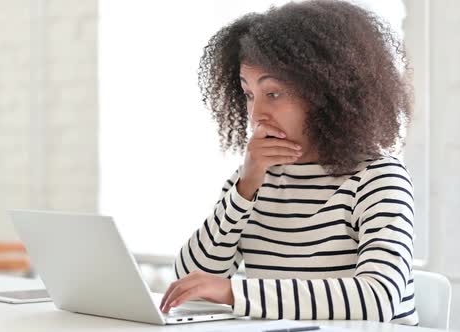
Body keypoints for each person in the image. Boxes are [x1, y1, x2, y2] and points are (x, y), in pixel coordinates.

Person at [159, 0, 417, 325]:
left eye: (273, 94)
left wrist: (234, 293)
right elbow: (192, 282)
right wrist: (244, 189)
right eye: (249, 94)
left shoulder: (378, 179)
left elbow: (377, 299)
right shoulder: (253, 179)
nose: (255, 115)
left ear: (325, 94)